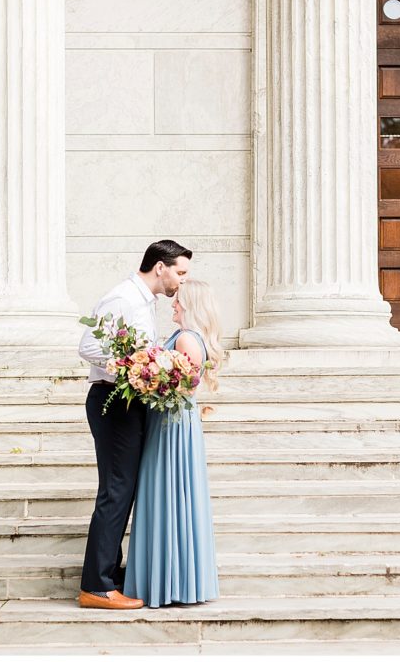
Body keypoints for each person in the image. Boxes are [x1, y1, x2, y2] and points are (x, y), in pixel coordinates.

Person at [76, 239, 192, 610]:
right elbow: (88, 346)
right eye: (181, 271)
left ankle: (110, 572)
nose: (183, 280)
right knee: (116, 489)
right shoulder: (124, 298)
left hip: (130, 404)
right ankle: (96, 585)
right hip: (113, 404)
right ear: (161, 266)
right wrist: (135, 365)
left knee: (124, 490)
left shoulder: (144, 302)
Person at [123, 279, 223, 608]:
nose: (173, 305)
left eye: (179, 301)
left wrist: (145, 380)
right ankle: (167, 578)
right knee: (165, 496)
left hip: (172, 427)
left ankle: (169, 582)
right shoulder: (186, 338)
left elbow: (180, 390)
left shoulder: (186, 339)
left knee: (168, 494)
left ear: (192, 305)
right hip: (169, 424)